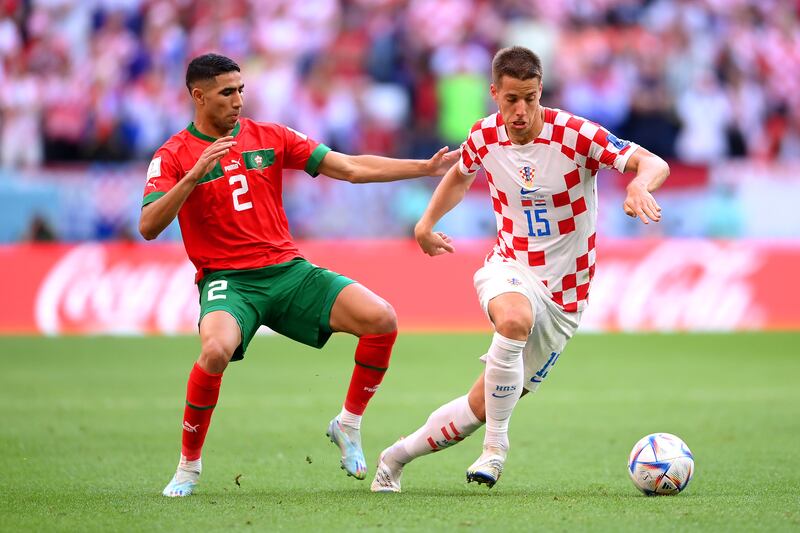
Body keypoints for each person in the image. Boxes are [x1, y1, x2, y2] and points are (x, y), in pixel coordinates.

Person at [139, 53, 457, 497]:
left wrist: (421, 169)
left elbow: (348, 168)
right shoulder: (172, 155)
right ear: (198, 95)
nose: (237, 101)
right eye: (226, 93)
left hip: (288, 272)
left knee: (382, 318)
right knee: (214, 351)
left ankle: (348, 424)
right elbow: (149, 226)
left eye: (241, 91)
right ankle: (188, 468)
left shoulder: (269, 136)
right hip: (230, 283)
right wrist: (192, 177)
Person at [370, 46, 669, 492]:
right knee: (513, 319)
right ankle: (496, 449)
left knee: (480, 405)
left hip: (566, 296)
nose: (521, 111)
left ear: (540, 90)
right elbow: (460, 174)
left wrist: (639, 185)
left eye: (530, 98)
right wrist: (426, 222)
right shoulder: (484, 136)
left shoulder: (575, 134)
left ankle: (394, 457)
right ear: (494, 93)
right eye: (511, 99)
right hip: (510, 266)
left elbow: (652, 161)